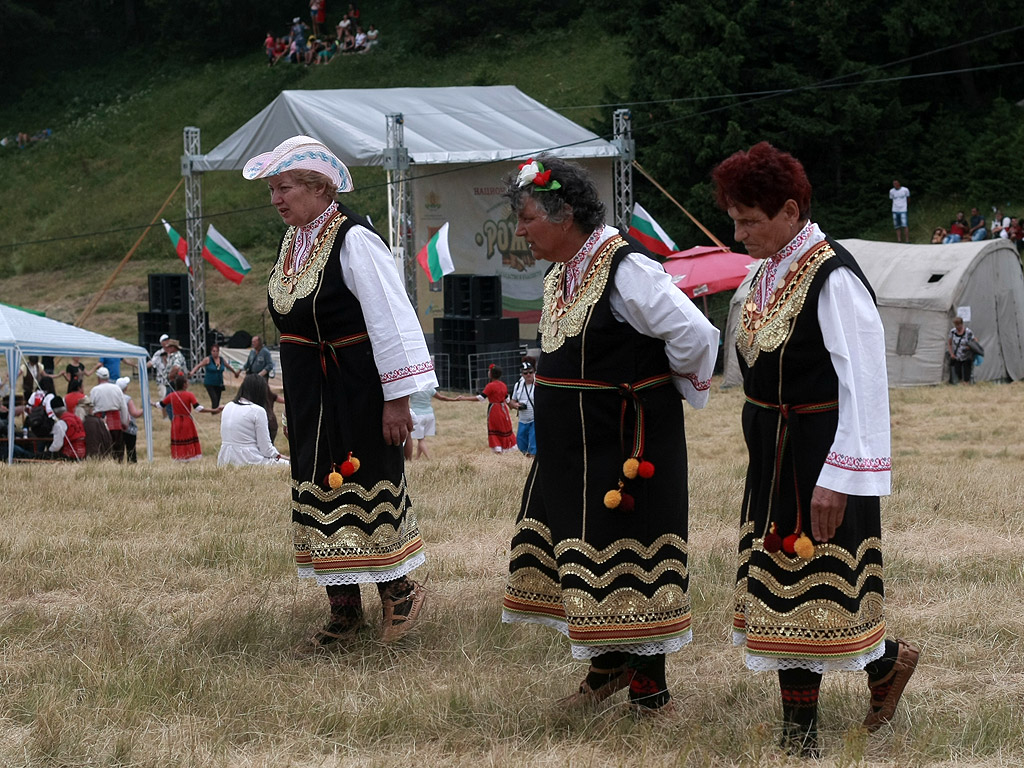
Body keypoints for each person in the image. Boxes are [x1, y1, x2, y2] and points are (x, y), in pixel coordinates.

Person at [712, 141, 918, 757]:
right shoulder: (766, 273)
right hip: (773, 451)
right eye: (736, 220)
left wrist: (839, 477)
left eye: (751, 220)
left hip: (818, 450)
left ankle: (803, 733)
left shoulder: (832, 276)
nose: (741, 232)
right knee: (781, 579)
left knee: (820, 578)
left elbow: (865, 382)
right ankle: (881, 669)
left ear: (791, 209)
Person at [501, 156, 719, 715]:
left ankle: (651, 694)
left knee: (632, 552)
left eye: (526, 218)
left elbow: (694, 334)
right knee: (590, 553)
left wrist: (660, 392)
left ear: (564, 211)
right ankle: (609, 667)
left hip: (625, 444)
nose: (520, 230)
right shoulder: (561, 273)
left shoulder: (626, 270)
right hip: (573, 448)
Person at [242, 134, 438, 649]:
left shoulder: (353, 239)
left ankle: (401, 593)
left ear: (319, 187)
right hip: (312, 392)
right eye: (272, 191)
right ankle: (344, 609)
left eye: (284, 188)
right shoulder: (293, 244)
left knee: (364, 477)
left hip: (354, 388)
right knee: (318, 485)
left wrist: (397, 399)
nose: (276, 199)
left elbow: (391, 319)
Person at [218, 374, 289, 467]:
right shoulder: (257, 411)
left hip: (224, 459)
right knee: (290, 466)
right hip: (248, 459)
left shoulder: (228, 406)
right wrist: (282, 457)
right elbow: (266, 449)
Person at [157, 375, 210, 461]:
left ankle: (179, 458)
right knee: (188, 439)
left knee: (178, 440)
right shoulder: (189, 395)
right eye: (187, 382)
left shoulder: (172, 395)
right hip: (187, 421)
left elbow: (160, 405)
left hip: (176, 421)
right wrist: (213, 410)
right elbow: (198, 408)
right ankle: (189, 457)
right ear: (184, 384)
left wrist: (150, 403)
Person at [89, 366, 130, 462]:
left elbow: (90, 409)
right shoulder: (116, 389)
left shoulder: (95, 390)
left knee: (102, 451)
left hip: (100, 424)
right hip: (116, 424)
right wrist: (124, 422)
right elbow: (124, 407)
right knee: (117, 452)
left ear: (98, 378)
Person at [476, 364, 516, 453]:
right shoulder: (503, 385)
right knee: (504, 427)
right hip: (503, 410)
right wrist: (514, 406)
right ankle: (505, 447)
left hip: (494, 410)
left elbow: (480, 398)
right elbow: (507, 400)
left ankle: (498, 449)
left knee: (494, 428)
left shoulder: (490, 386)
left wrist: (463, 398)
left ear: (491, 374)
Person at [190, 343, 238, 409]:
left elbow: (228, 366)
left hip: (219, 383)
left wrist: (235, 373)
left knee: (217, 400)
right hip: (210, 383)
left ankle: (215, 413)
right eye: (213, 351)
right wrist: (192, 372)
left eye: (216, 351)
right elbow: (198, 366)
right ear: (211, 352)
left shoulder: (221, 360)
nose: (215, 353)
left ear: (218, 352)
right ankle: (214, 412)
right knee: (214, 399)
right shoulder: (208, 359)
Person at [509, 357, 537, 457]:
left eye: (530, 372)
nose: (528, 375)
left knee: (533, 445)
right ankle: (527, 460)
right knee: (521, 442)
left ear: (534, 371)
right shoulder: (518, 385)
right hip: (523, 419)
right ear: (522, 374)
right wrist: (515, 405)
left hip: (535, 418)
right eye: (525, 373)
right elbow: (512, 401)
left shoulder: (538, 384)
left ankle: (532, 462)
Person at [46, 396, 86, 461]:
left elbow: (57, 445)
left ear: (54, 411)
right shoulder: (76, 418)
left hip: (70, 454)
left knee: (39, 455)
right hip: (82, 452)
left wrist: (49, 452)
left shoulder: (61, 423)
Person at [116, 376, 145, 463]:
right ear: (125, 388)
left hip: (116, 427)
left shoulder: (114, 397)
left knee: (118, 450)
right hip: (129, 429)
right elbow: (134, 414)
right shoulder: (127, 399)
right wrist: (144, 409)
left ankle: (117, 463)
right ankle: (132, 464)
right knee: (131, 450)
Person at [947, 316, 976, 384]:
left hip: (967, 356)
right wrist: (951, 354)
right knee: (958, 371)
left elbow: (974, 341)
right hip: (957, 356)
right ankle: (961, 383)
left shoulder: (968, 332)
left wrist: (970, 347)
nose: (957, 327)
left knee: (967, 372)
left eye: (959, 325)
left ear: (962, 324)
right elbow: (949, 343)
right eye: (956, 325)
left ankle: (966, 383)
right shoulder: (953, 332)